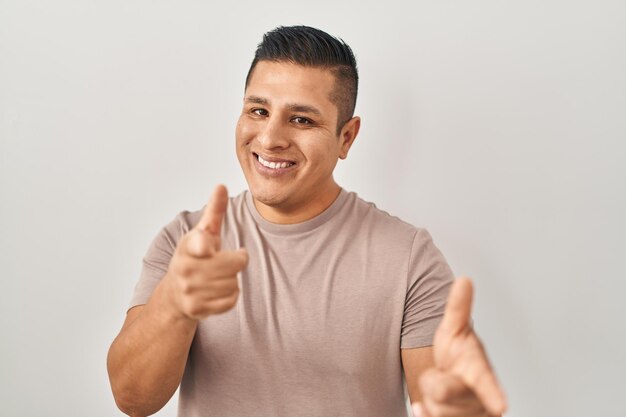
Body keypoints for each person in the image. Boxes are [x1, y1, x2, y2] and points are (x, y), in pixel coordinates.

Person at [107, 25, 507, 417]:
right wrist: (174, 304)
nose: (269, 138)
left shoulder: (408, 258)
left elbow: (441, 401)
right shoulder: (185, 240)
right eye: (258, 111)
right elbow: (133, 400)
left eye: (301, 120)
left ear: (346, 138)